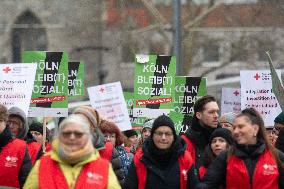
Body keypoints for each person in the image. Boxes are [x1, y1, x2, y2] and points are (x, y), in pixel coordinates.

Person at [24, 114, 121, 189]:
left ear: (87, 138)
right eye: (67, 133)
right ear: (59, 137)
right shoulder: (43, 165)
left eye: (78, 134)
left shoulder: (102, 167)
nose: (72, 137)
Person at [197, 108, 284, 189]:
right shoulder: (225, 157)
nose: (235, 131)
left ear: (255, 129)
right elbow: (206, 185)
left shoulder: (276, 156)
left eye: (241, 127)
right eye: (234, 127)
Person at [125, 115, 198, 189]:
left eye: (168, 134)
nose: (163, 138)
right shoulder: (140, 157)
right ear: (153, 135)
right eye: (159, 133)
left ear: (174, 136)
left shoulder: (185, 158)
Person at [72, 105, 125, 186]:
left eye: (84, 121)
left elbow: (118, 182)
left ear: (93, 125)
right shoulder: (64, 150)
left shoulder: (108, 150)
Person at [181, 95, 220, 172]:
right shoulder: (186, 141)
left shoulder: (223, 137)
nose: (216, 116)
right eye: (211, 112)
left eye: (217, 111)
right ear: (199, 115)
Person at [0, 104, 32, 188]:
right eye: (9, 122)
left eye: (15, 123)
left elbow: (26, 181)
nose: (11, 126)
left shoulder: (22, 147)